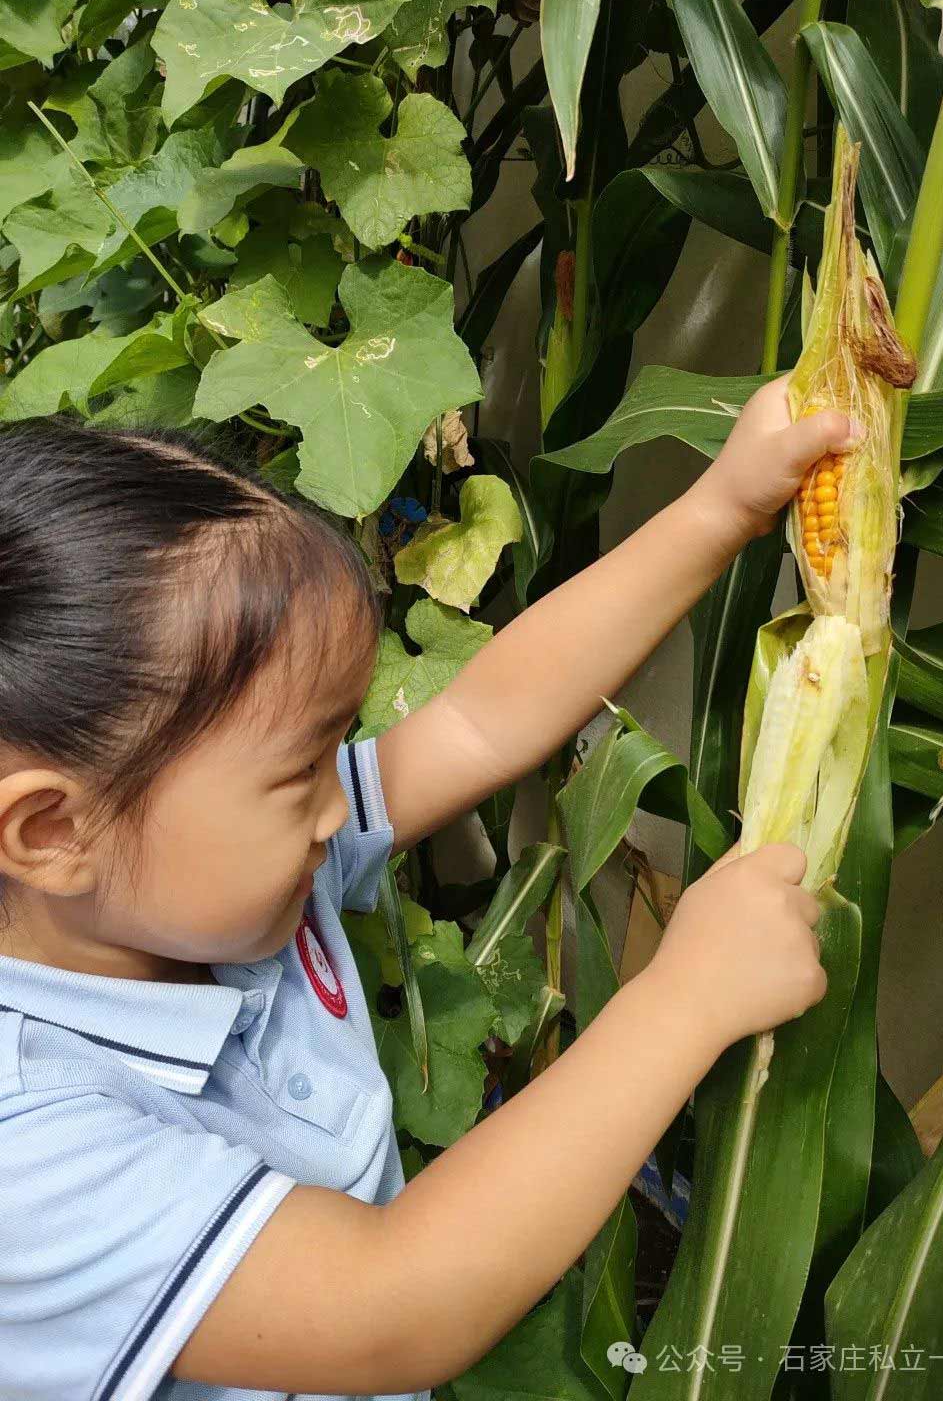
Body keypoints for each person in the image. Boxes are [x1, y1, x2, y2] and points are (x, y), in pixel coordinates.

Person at [0, 377, 856, 1401]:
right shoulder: (28, 1145)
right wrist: (685, 1001)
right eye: (299, 772)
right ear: (52, 833)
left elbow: (476, 724)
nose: (339, 807)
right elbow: (384, 1306)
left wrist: (722, 508)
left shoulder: (219, 879)